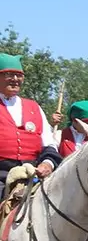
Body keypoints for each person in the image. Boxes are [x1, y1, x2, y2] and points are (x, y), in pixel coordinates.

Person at [0, 53, 62, 199]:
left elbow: (49, 145)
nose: (15, 79)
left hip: (34, 174)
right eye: (9, 74)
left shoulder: (34, 107)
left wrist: (47, 164)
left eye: (19, 75)